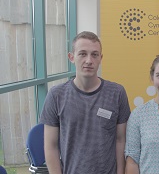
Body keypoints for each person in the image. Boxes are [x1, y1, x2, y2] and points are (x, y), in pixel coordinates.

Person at [40, 31, 131, 174]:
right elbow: (50, 145)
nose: (89, 60)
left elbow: (121, 140)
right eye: (82, 54)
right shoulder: (56, 95)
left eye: (94, 55)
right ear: (71, 57)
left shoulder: (117, 93)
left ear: (101, 58)